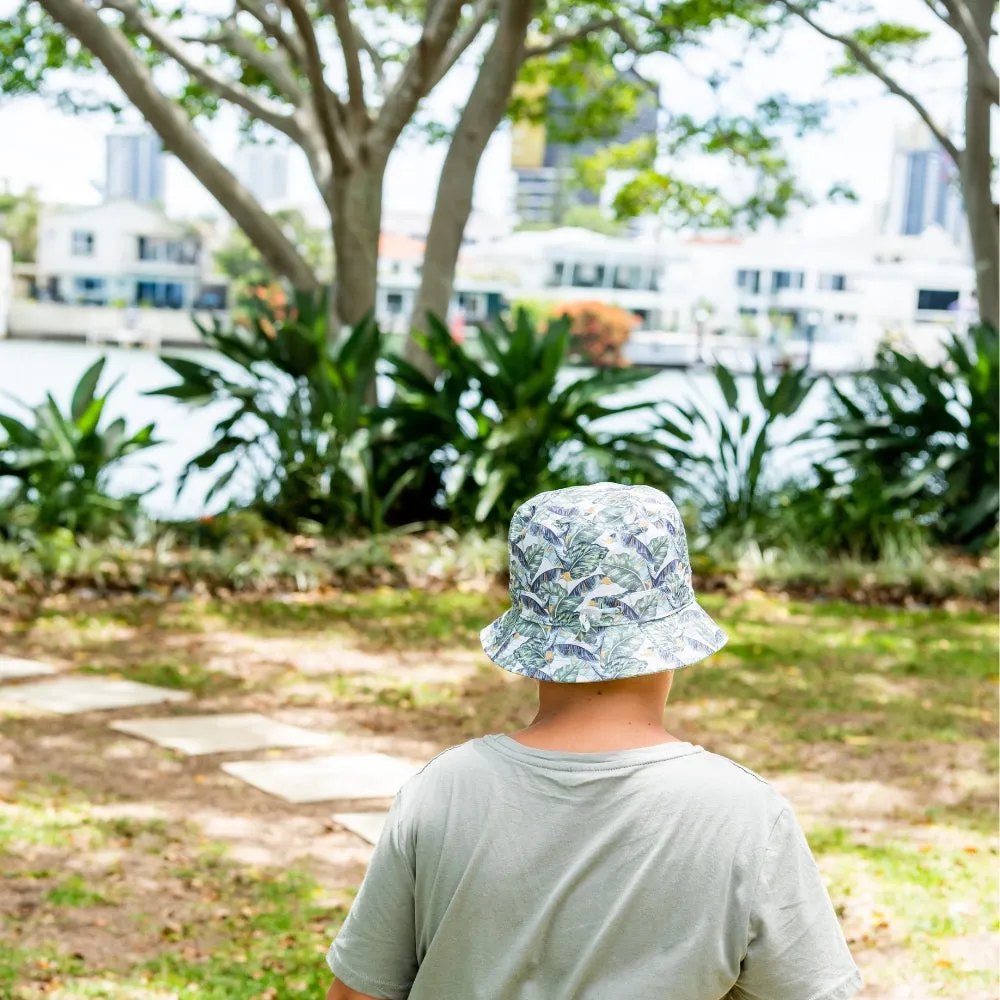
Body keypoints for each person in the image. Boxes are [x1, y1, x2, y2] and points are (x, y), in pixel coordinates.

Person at [326, 483, 862, 1000]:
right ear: (671, 640)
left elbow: (358, 992)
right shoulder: (745, 814)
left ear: (532, 637)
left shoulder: (440, 790)